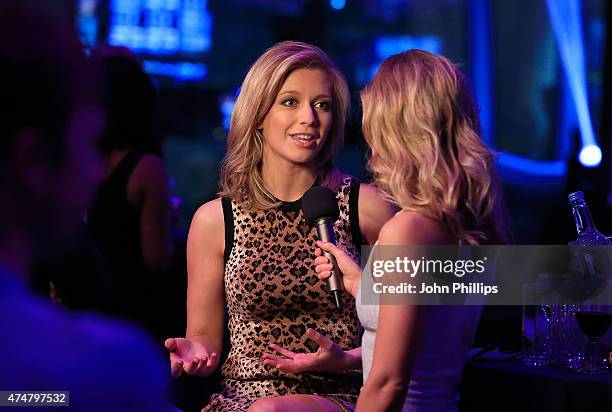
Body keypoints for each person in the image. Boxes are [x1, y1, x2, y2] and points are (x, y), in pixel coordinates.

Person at [264, 50, 506, 411]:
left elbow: (389, 383)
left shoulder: (407, 231)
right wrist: (362, 285)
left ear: (395, 128)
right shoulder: (461, 224)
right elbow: (427, 337)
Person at [164, 41, 394, 412]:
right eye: (290, 102)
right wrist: (196, 353)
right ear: (258, 113)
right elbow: (204, 337)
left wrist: (351, 357)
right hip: (238, 399)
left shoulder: (364, 206)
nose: (309, 117)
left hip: (338, 396)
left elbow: (419, 322)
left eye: (322, 105)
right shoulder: (214, 219)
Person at [0, 6, 172, 410]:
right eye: (84, 141)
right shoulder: (109, 371)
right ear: (34, 160)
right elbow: (156, 256)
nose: (93, 168)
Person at [87, 51, 174, 336]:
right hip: (128, 312)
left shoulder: (80, 160)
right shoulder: (147, 168)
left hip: (83, 300)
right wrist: (168, 219)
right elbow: (156, 258)